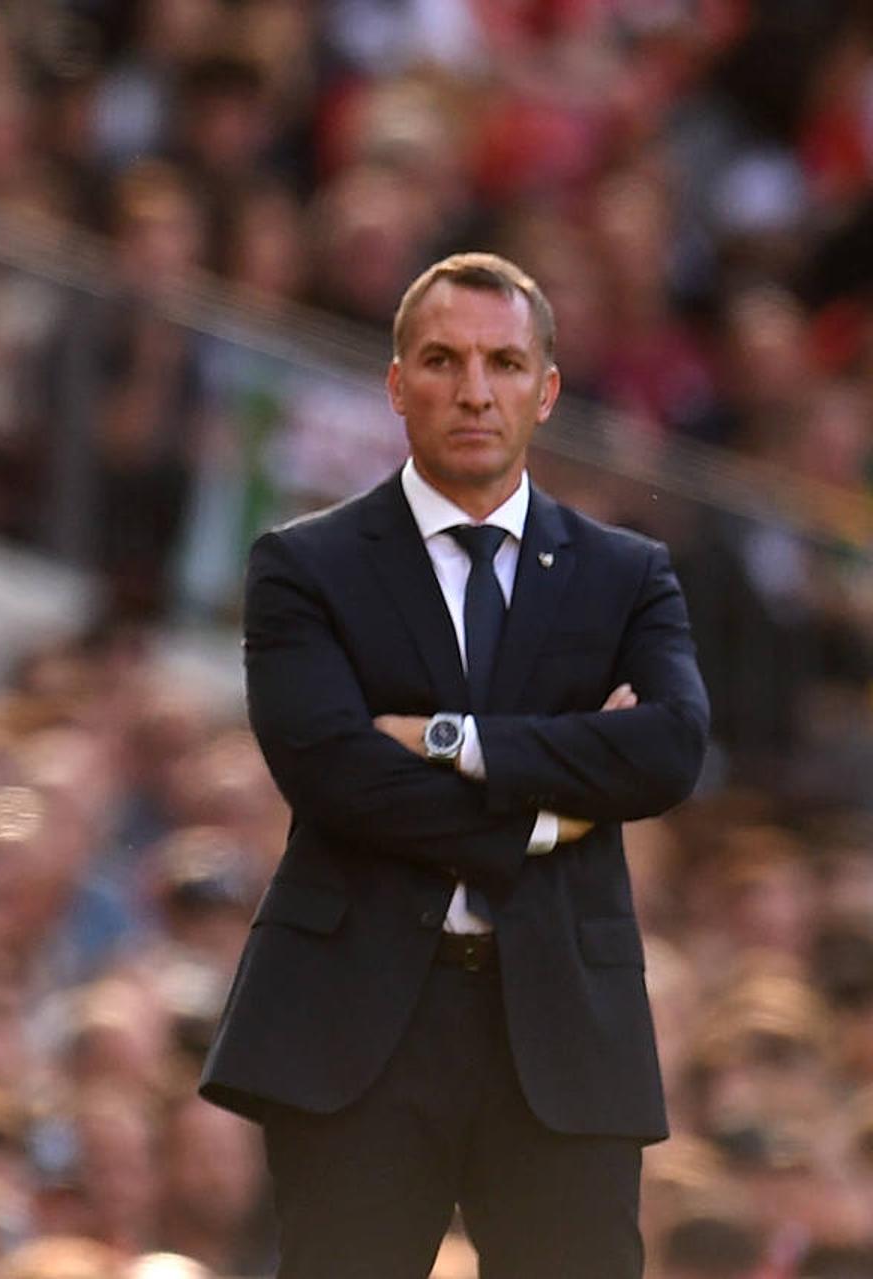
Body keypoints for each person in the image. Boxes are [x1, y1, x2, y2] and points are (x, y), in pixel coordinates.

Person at [199, 252, 710, 1277]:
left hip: (563, 1024)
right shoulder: (306, 564)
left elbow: (668, 747)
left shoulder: (626, 573)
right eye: (442, 360)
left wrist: (451, 739)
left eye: (504, 363)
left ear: (548, 390)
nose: (474, 390)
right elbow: (336, 774)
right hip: (358, 1028)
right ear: (396, 384)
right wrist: (549, 813)